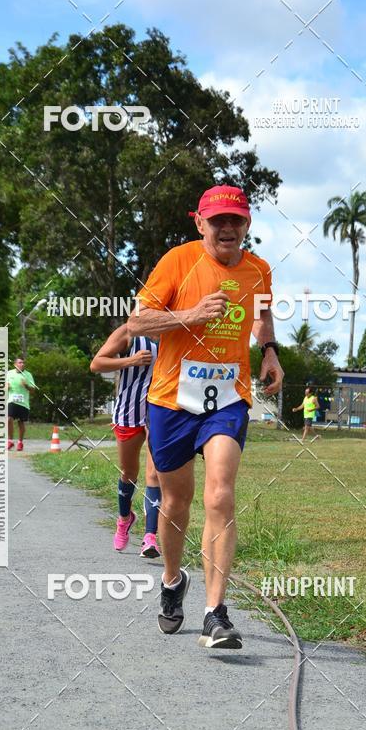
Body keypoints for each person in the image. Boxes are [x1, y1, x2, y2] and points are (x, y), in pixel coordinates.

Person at [128, 184, 283, 650]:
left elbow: (262, 314)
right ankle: (173, 581)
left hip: (228, 398)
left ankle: (216, 613)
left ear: (247, 224)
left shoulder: (259, 270)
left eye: (236, 220)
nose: (228, 228)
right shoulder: (178, 261)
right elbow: (138, 322)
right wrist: (191, 315)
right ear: (200, 223)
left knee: (220, 494)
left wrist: (269, 352)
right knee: (176, 503)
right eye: (218, 221)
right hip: (172, 399)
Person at [90, 324, 162, 558]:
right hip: (128, 413)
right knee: (128, 472)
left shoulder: (175, 334)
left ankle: (150, 538)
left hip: (159, 412)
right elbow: (97, 363)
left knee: (155, 475)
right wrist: (129, 361)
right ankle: (124, 518)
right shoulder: (130, 332)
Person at [6, 356, 36, 451]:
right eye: (20, 362)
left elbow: (33, 390)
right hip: (12, 400)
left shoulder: (28, 375)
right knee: (9, 419)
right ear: (15, 364)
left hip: (23, 403)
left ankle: (20, 442)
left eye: (23, 363)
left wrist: (26, 385)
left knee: (21, 422)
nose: (22, 364)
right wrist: (6, 387)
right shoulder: (9, 373)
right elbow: (5, 386)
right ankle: (10, 441)